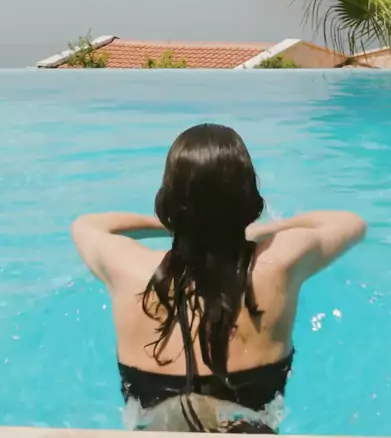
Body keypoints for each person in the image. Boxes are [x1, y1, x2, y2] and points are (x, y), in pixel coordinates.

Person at [71, 123, 366, 433]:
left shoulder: (128, 270)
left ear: (170, 202)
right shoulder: (279, 264)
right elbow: (350, 223)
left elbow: (86, 225)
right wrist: (265, 230)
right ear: (248, 200)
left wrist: (179, 224)